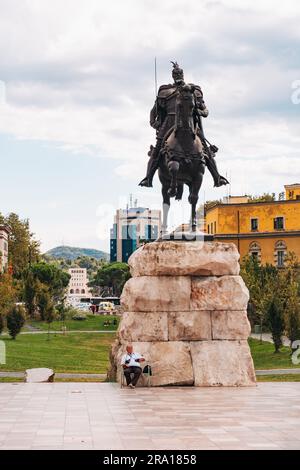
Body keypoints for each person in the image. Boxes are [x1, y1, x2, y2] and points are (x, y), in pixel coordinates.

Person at [139, 61, 228, 189]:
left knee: (205, 149)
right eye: (175, 73)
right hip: (169, 122)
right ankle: (148, 178)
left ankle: (217, 177)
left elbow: (206, 111)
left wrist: (198, 111)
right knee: (157, 150)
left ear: (183, 74)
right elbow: (154, 112)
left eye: (179, 73)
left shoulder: (194, 91)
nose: (177, 75)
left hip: (191, 123)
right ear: (172, 76)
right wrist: (155, 124)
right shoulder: (165, 91)